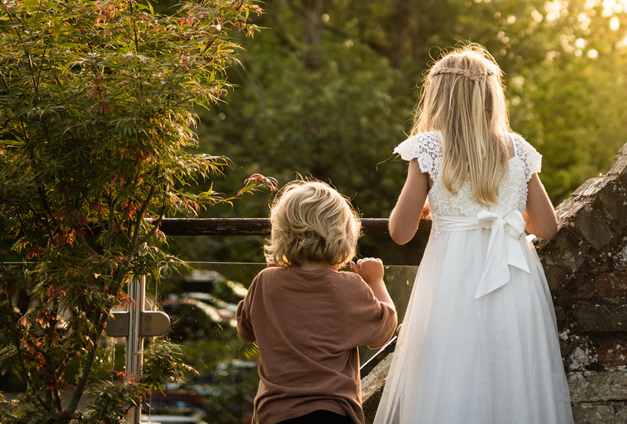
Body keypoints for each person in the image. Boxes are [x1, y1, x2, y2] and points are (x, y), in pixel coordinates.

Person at [374, 44, 574, 423]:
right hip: (514, 280)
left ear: (438, 97)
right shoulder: (518, 148)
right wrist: (504, 213)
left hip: (452, 280)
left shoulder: (429, 148)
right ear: (491, 96)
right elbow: (546, 226)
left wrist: (447, 209)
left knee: (452, 369)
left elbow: (400, 231)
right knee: (511, 371)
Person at [237, 180, 398, 424]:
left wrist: (274, 277)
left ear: (281, 232)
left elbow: (245, 330)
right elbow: (382, 333)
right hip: (334, 411)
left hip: (276, 413)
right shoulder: (349, 286)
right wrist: (375, 281)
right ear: (344, 235)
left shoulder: (265, 282)